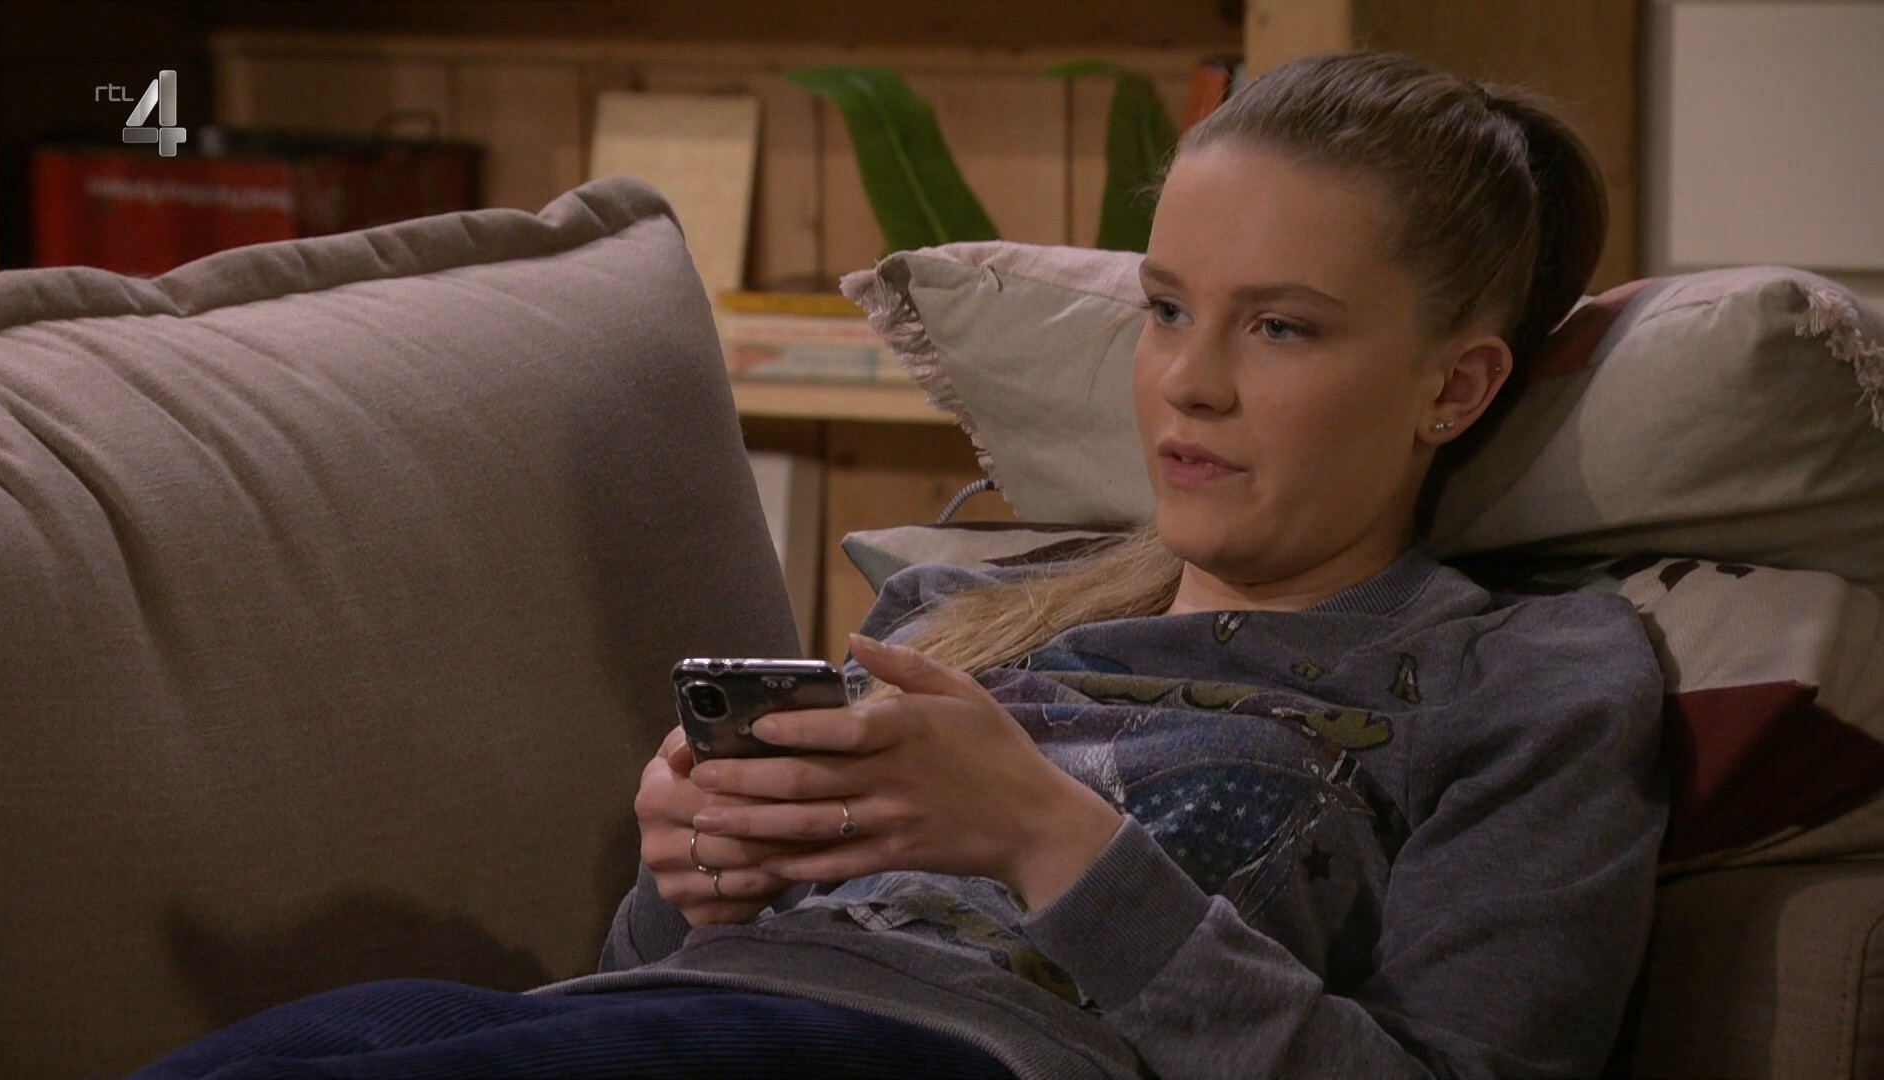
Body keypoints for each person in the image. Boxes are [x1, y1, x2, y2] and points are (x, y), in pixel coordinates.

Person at [133, 50, 1665, 1080]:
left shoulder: (1524, 677)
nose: (1187, 384)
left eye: (1280, 327)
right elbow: (668, 967)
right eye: (1164, 309)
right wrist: (700, 870)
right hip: (676, 1013)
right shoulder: (965, 609)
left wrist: (1053, 843)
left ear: (1453, 388)